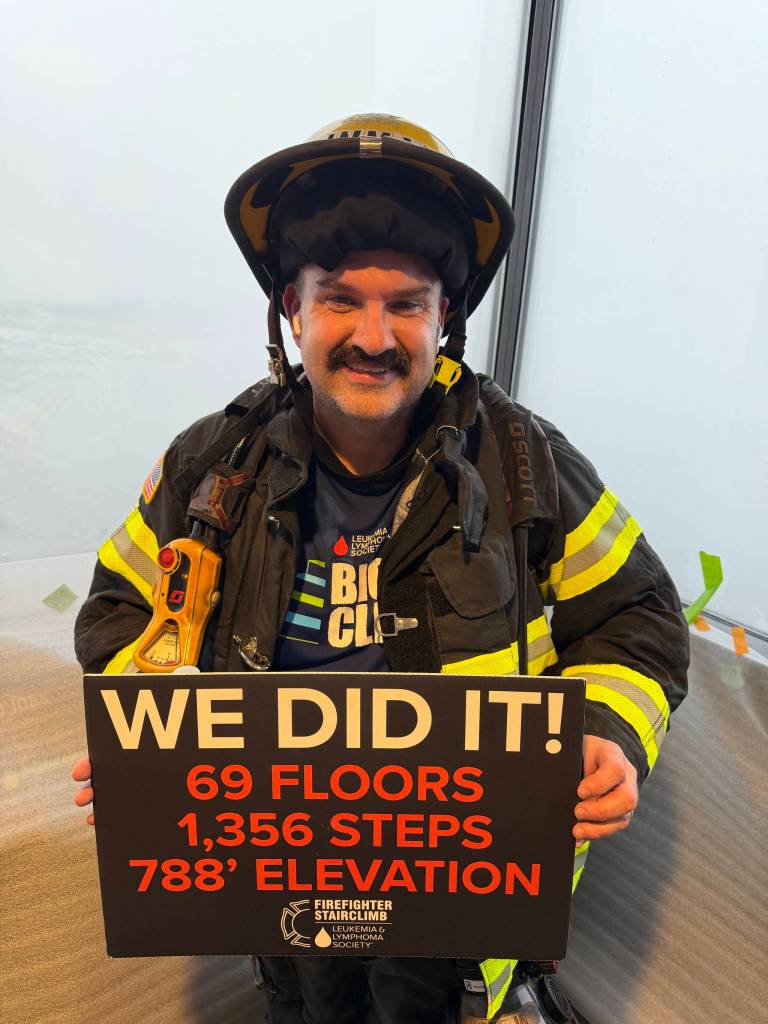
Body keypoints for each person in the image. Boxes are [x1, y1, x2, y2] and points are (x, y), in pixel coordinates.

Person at [72, 113, 689, 1024]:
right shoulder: (213, 466)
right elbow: (118, 609)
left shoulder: (527, 465)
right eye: (339, 297)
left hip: (467, 916)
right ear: (291, 305)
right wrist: (152, 747)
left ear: (448, 316)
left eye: (406, 302)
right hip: (282, 899)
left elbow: (637, 621)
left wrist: (608, 733)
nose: (374, 334)